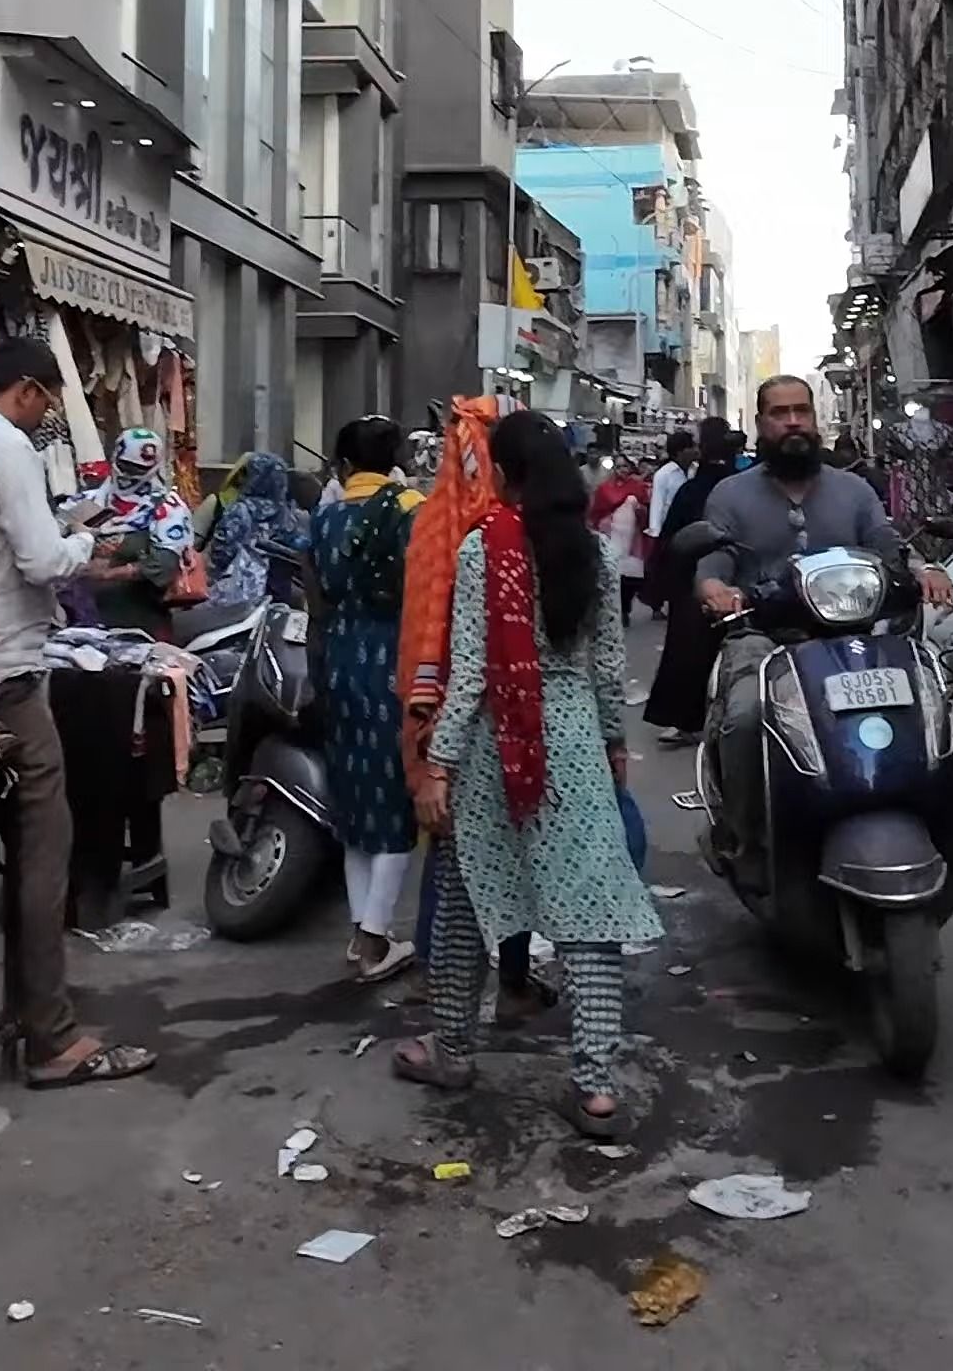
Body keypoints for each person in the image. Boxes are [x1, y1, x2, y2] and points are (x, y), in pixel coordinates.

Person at [394, 411, 660, 1132]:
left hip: (495, 746)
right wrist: (614, 749)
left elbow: (474, 671)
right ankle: (596, 1084)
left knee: (464, 902)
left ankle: (451, 1050)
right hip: (573, 740)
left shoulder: (487, 546)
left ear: (506, 476)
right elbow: (609, 668)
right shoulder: (596, 554)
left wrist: (439, 764)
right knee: (591, 917)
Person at [0, 338, 156, 1091]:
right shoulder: (7, 445)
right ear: (28, 390)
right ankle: (51, 1034)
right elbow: (38, 559)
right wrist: (89, 538)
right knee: (41, 846)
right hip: (5, 676)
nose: (48, 414)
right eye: (48, 400)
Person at [693, 378, 953, 620]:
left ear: (814, 419)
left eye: (802, 411)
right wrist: (714, 587)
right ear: (760, 424)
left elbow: (887, 545)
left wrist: (925, 570)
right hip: (761, 634)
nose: (793, 421)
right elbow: (715, 562)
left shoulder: (855, 490)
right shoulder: (729, 494)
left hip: (853, 628)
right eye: (780, 413)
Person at [317, 416, 422, 981]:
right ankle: (375, 939)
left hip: (340, 656)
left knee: (354, 796)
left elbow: (320, 588)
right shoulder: (412, 510)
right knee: (396, 798)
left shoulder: (326, 516)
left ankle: (363, 934)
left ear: (345, 464)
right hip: (394, 657)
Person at [639, 422, 743, 741]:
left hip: (699, 583)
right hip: (726, 581)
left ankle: (689, 720)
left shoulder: (700, 489)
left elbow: (672, 538)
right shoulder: (740, 485)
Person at [73, 426, 196, 635]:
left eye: (139, 469)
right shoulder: (90, 500)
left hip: (140, 622)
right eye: (125, 465)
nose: (129, 474)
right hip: (80, 619)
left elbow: (164, 565)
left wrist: (107, 574)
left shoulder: (167, 508)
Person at [205, 452, 303, 609]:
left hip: (240, 595)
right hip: (279, 593)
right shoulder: (289, 515)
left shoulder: (240, 511)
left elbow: (221, 554)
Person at [588, 454, 653, 623]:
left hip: (632, 538)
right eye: (618, 466)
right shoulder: (604, 488)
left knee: (630, 577)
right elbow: (597, 512)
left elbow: (646, 510)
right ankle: (613, 609)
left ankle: (625, 608)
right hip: (611, 535)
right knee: (611, 573)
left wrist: (639, 510)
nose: (622, 470)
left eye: (625, 466)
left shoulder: (637, 487)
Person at [645, 429, 695, 567]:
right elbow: (657, 505)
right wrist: (655, 536)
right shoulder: (664, 474)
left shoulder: (694, 471)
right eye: (691, 447)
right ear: (680, 451)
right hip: (670, 530)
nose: (695, 450)